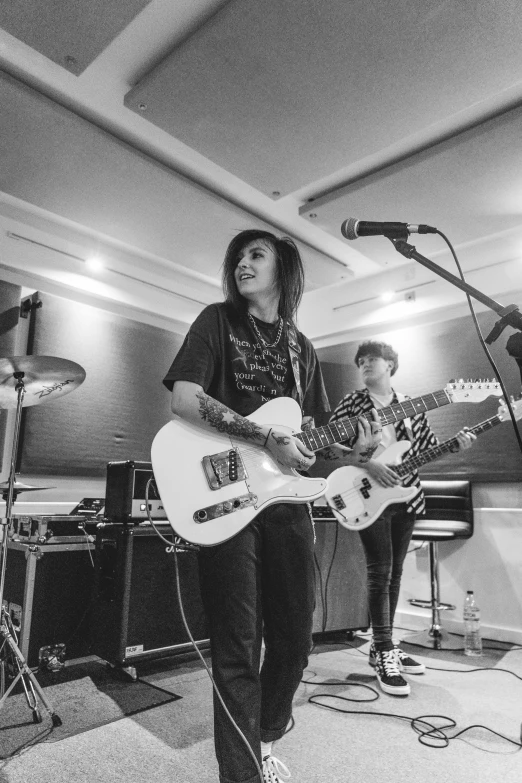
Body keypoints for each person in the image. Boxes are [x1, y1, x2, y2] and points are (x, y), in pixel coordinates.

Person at [162, 230, 382, 783]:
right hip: (225, 496)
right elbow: (184, 398)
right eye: (236, 255)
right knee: (237, 646)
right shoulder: (216, 321)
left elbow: (312, 439)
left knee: (295, 639)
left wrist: (352, 444)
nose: (241, 262)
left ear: (284, 268)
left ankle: (260, 739)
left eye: (255, 254)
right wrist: (264, 437)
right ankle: (241, 776)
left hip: (284, 504)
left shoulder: (300, 347)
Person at [329, 340, 476, 696]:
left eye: (372, 359)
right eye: (361, 361)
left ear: (390, 365)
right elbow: (329, 445)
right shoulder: (352, 403)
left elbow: (426, 450)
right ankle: (382, 650)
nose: (365, 364)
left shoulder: (410, 406)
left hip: (405, 496)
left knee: (395, 573)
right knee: (380, 571)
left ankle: (386, 645)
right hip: (367, 495)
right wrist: (369, 463)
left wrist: (455, 444)